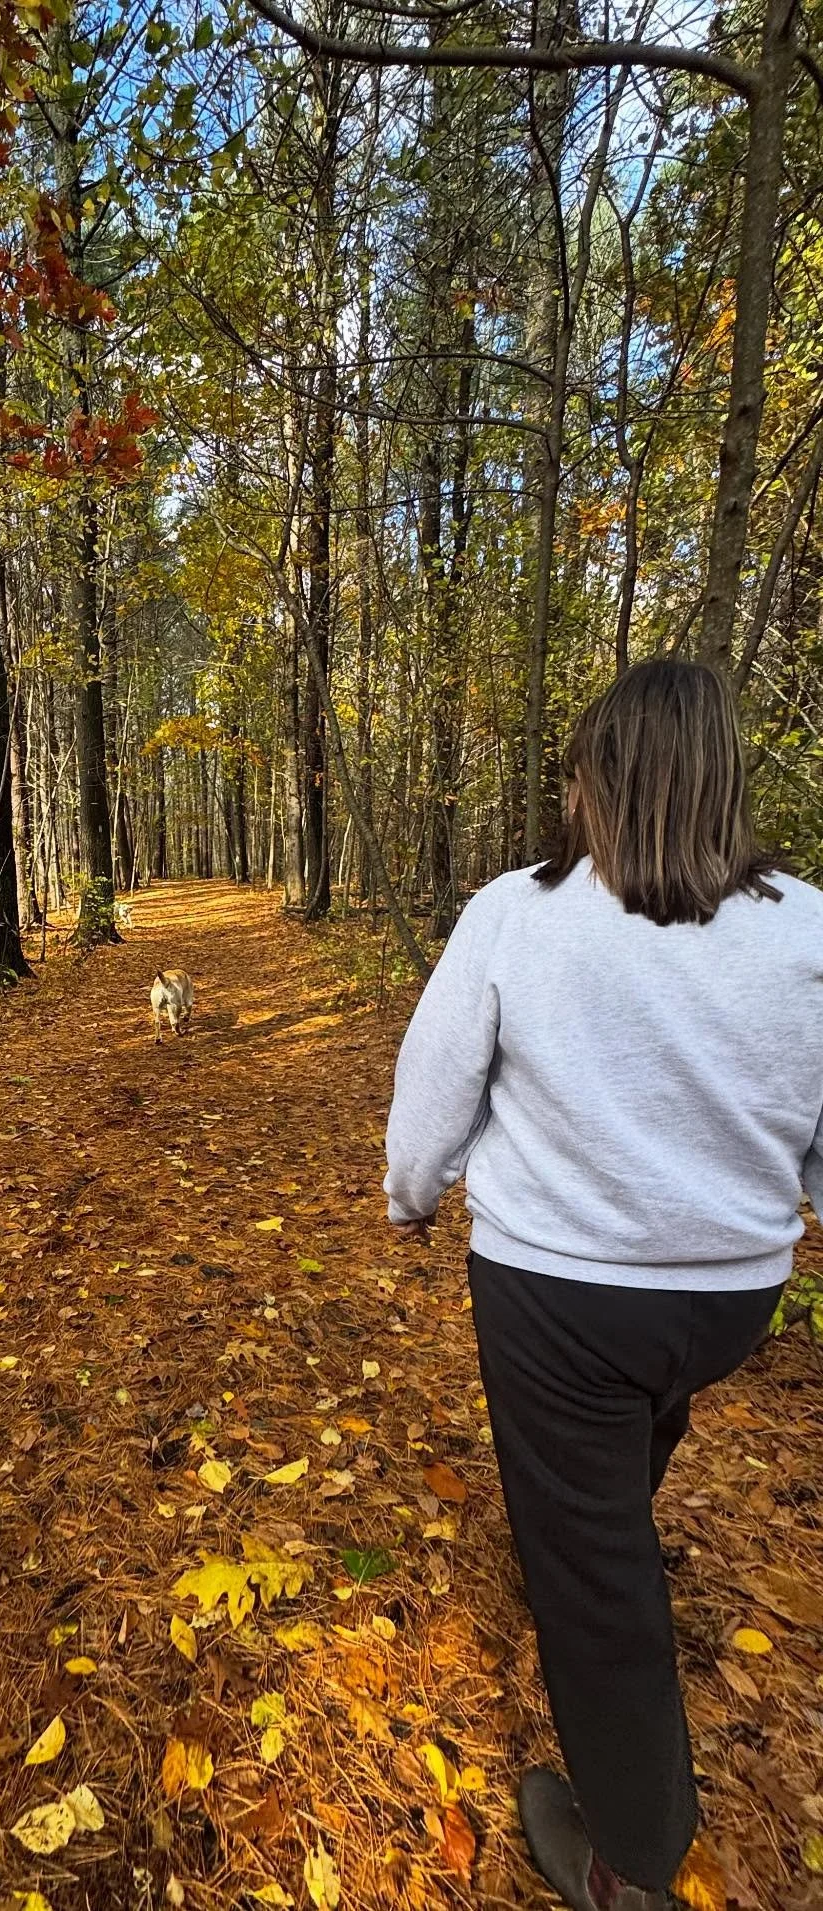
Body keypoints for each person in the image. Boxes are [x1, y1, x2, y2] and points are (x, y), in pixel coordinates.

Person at [383, 658, 823, 1911]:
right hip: (728, 1302)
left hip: (562, 1300)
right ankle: (597, 1518)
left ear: (599, 784)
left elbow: (431, 1096)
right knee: (634, 1434)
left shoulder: (520, 914)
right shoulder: (811, 929)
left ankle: (630, 1854)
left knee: (594, 1572)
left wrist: (414, 1197)